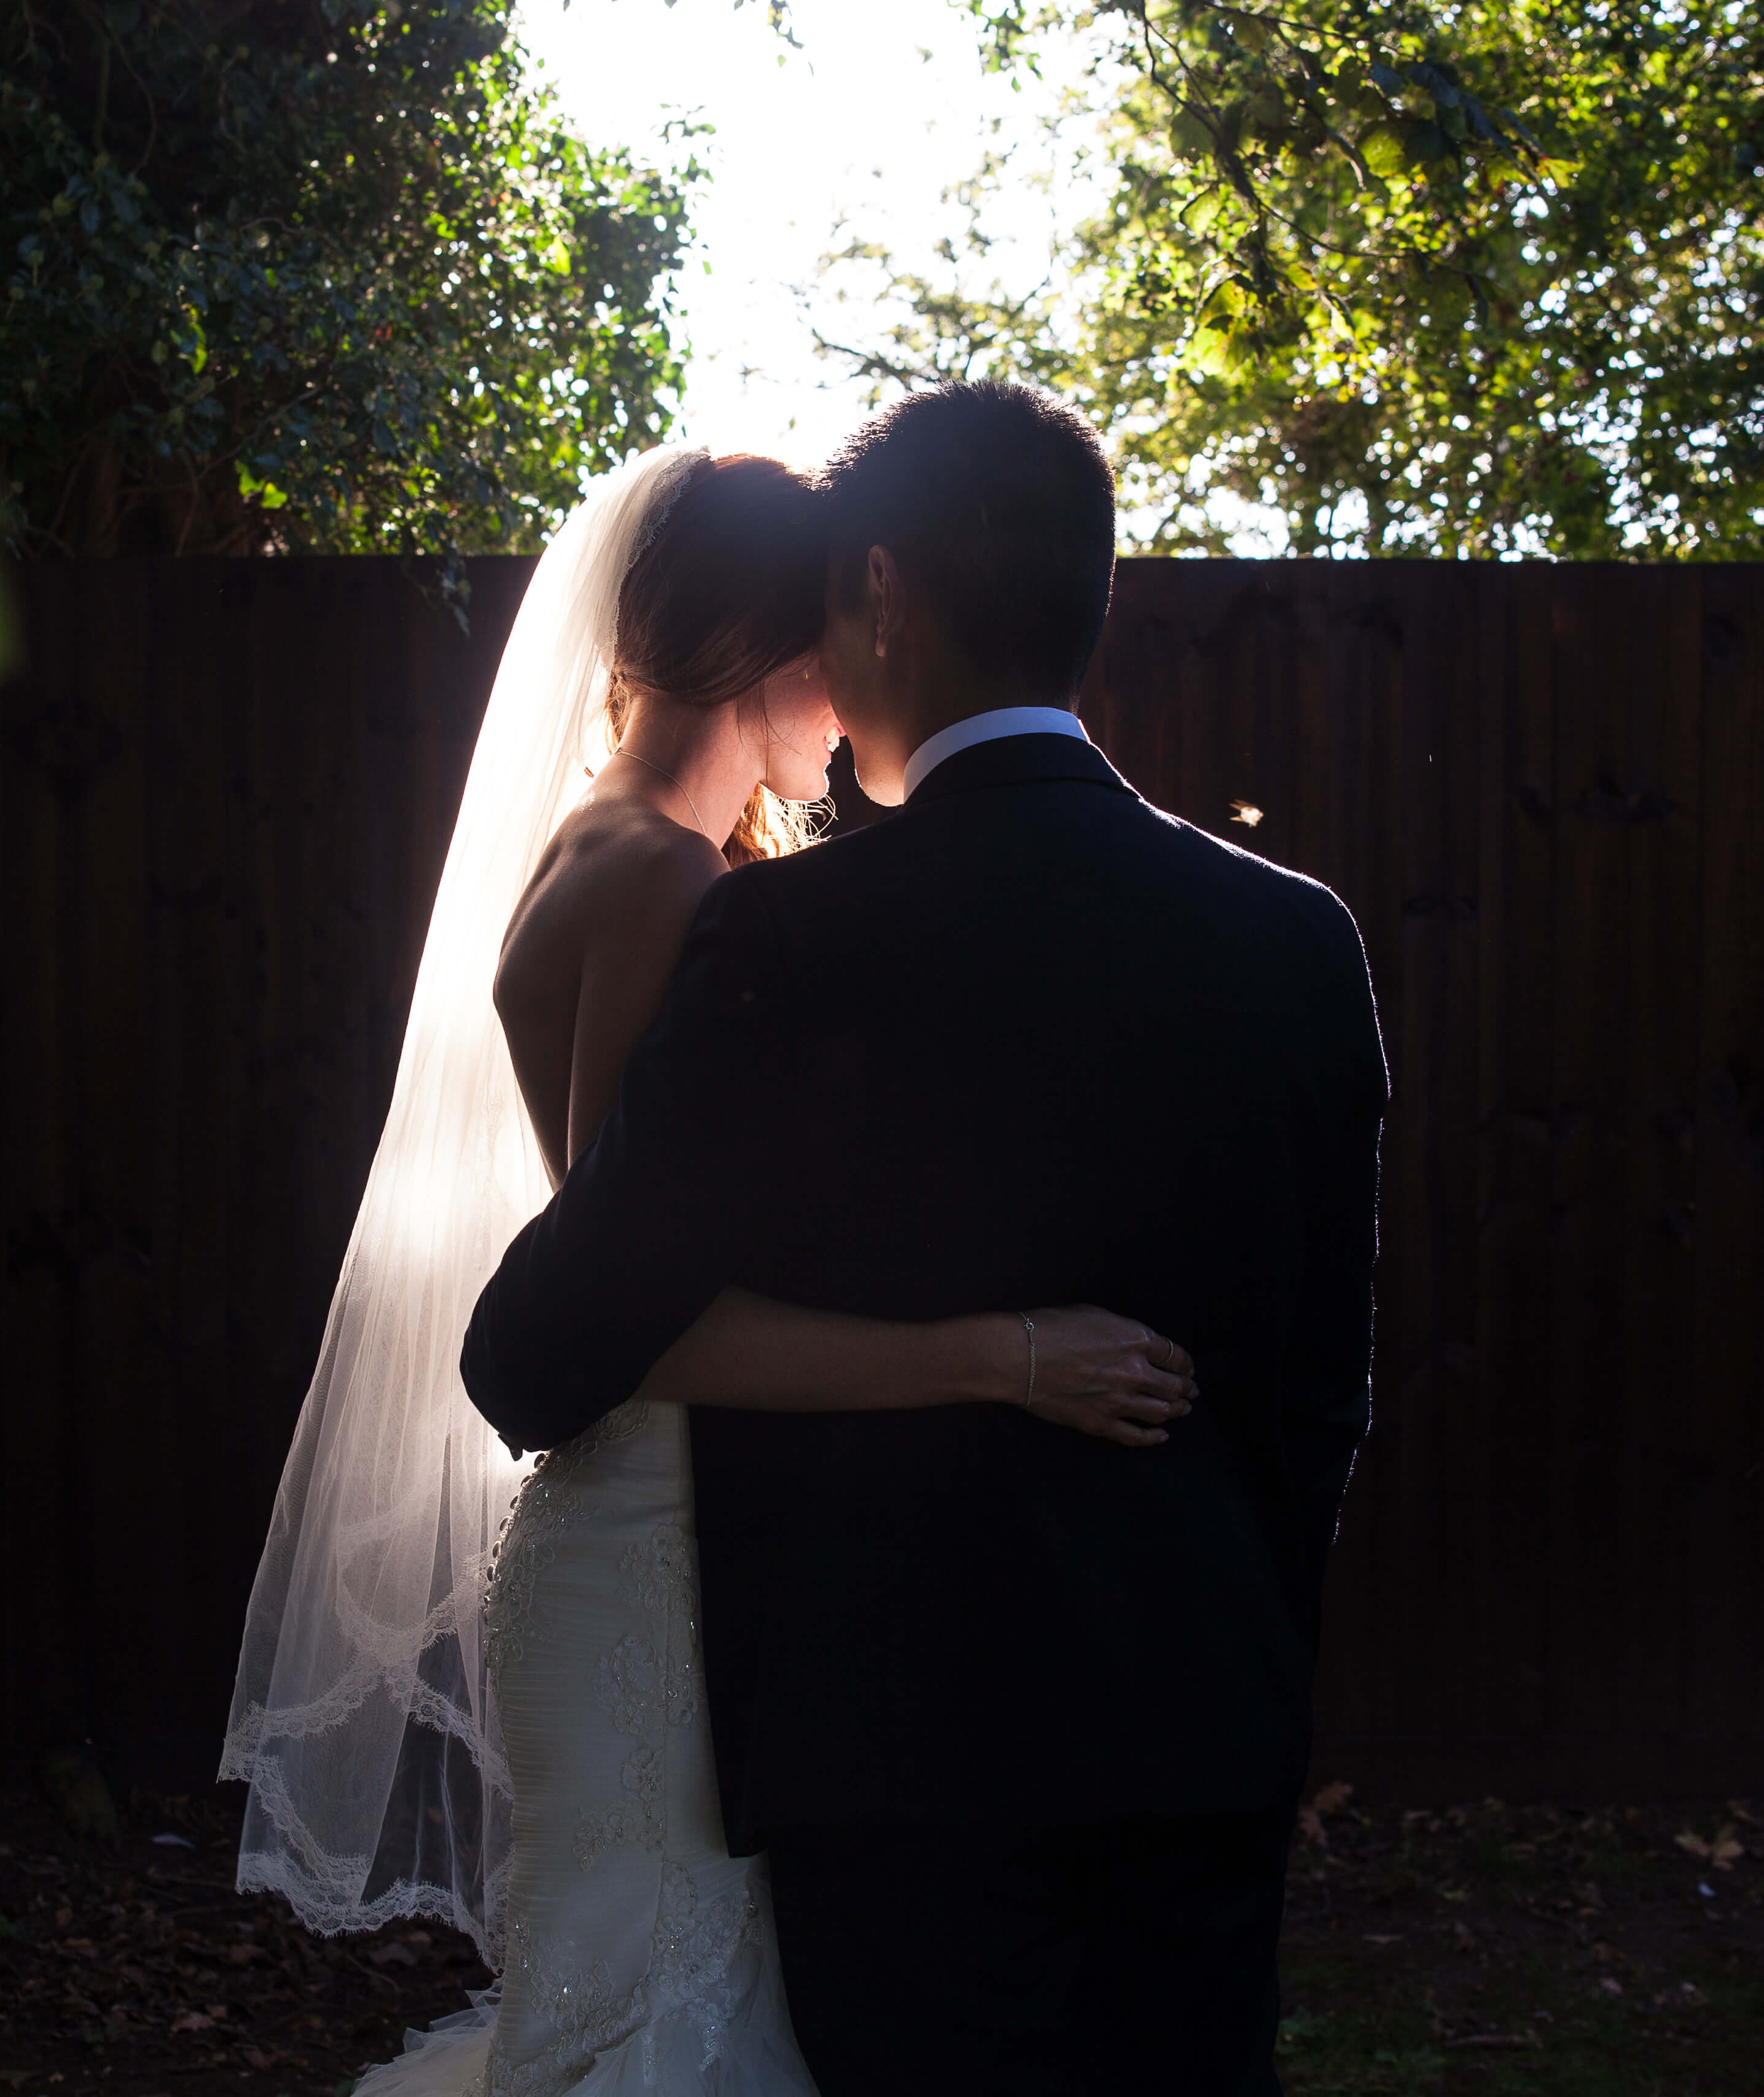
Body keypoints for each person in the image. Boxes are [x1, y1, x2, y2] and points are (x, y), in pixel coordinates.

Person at [222, 441, 1194, 2096]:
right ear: (774, 648)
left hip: (652, 1537)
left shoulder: (619, 851)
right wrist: (1005, 1353)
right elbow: (640, 1318)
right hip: (662, 1553)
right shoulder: (663, 878)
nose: (864, 683)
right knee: (667, 2026)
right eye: (843, 636)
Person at [462, 385, 1388, 2097]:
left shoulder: (788, 937)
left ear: (880, 594)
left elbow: (541, 1343)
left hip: (888, 1760)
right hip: (1198, 1734)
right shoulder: (1296, 941)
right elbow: (1323, 1397)